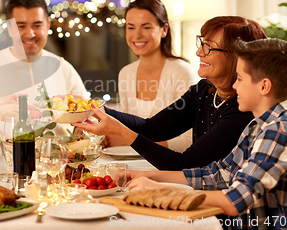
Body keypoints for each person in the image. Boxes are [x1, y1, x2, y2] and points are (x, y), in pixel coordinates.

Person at [122, 38, 287, 228]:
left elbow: (236, 201)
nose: (234, 85)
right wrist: (150, 176)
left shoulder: (279, 131)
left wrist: (159, 190)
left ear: (264, 86)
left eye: (240, 79)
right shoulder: (259, 124)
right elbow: (220, 175)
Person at [74, 16, 267, 170]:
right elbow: (154, 128)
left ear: (235, 56)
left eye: (208, 46)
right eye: (201, 43)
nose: (199, 52)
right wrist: (95, 109)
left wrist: (121, 131)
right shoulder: (204, 90)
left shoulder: (243, 109)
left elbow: (183, 164)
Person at [0, 0, 87, 125]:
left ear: (47, 25)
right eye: (21, 26)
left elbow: (88, 114)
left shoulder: (63, 68)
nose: (30, 34)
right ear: (10, 28)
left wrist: (83, 127)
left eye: (37, 26)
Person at [117, 0, 199, 152]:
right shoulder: (125, 74)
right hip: (132, 163)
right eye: (131, 27)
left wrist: (134, 144)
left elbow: (191, 139)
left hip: (171, 168)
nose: (137, 35)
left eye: (146, 27)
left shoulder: (182, 73)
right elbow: (125, 130)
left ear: (164, 30)